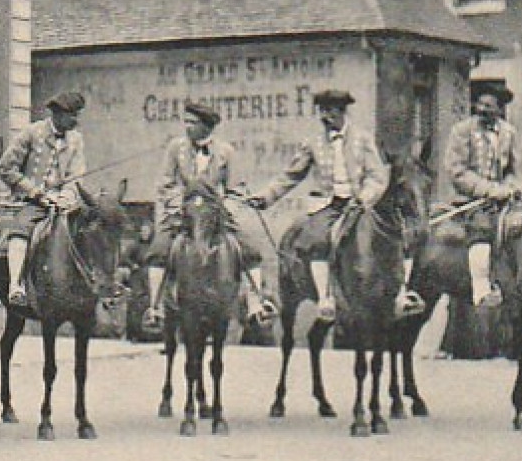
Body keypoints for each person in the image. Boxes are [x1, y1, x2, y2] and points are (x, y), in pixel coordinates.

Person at [247, 89, 391, 321]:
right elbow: (291, 175)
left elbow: (377, 176)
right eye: (322, 112)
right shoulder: (312, 143)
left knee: (388, 238)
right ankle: (325, 297)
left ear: (342, 111)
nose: (325, 117)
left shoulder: (363, 139)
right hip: (328, 205)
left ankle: (400, 292)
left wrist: (365, 197)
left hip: (359, 203)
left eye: (330, 112)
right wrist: (265, 197)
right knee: (316, 240)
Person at [143, 101, 273, 323]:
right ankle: (155, 307)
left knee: (249, 249)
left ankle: (256, 304)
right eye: (186, 121)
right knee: (158, 250)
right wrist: (177, 207)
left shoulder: (226, 152)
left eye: (192, 123)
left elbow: (236, 189)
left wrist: (226, 210)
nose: (187, 127)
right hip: (182, 212)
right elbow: (165, 183)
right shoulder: (176, 148)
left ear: (207, 127)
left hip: (215, 212)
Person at [0, 92, 89, 308]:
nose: (75, 120)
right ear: (57, 114)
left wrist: (66, 197)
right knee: (20, 230)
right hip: (34, 202)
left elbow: (77, 174)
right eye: (71, 115)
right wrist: (36, 192)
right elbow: (5, 167)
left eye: (77, 115)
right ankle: (16, 286)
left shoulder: (76, 139)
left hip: (65, 202)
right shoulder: (31, 133)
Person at [441, 81, 522, 313]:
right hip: (471, 199)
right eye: (480, 104)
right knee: (482, 228)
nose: (483, 109)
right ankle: (481, 288)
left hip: (504, 198)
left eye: (490, 106)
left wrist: (510, 186)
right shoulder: (462, 131)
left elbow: (514, 169)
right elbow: (456, 171)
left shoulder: (508, 132)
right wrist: (488, 190)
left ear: (500, 109)